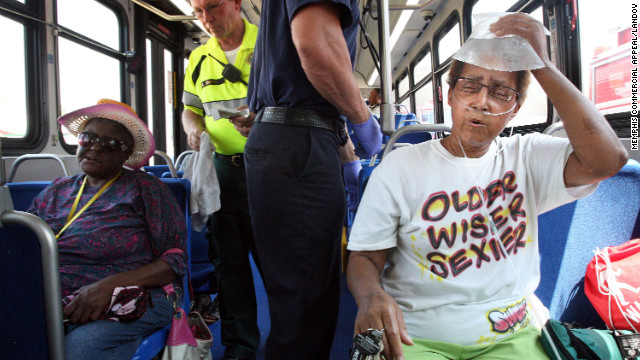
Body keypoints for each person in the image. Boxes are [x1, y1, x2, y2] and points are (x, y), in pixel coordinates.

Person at [346, 13, 628, 360]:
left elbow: (608, 160)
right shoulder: (401, 167)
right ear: (448, 95)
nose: (482, 101)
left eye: (500, 92)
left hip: (510, 333)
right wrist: (370, 295)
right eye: (470, 86)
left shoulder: (527, 156)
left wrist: (543, 66)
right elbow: (364, 257)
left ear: (514, 109)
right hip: (416, 335)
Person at [245, 1, 383, 358]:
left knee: (296, 296)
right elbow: (316, 46)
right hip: (299, 146)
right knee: (306, 301)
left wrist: (343, 146)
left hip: (288, 139)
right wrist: (361, 116)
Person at [27, 99, 188, 360]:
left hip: (132, 294)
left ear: (126, 154)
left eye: (111, 144)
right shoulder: (58, 189)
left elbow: (175, 260)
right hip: (52, 294)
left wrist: (106, 287)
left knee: (78, 350)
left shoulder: (146, 189)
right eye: (88, 138)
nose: (95, 147)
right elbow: (24, 244)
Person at [181, 0, 261, 359]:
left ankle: (291, 343)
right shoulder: (199, 58)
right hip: (222, 172)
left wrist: (263, 120)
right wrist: (194, 128)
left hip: (269, 168)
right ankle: (240, 346)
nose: (206, 18)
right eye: (198, 11)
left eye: (213, 6)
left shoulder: (270, 47)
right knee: (228, 264)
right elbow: (190, 109)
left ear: (237, 3)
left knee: (279, 262)